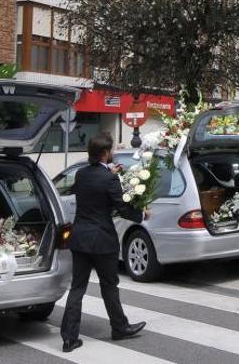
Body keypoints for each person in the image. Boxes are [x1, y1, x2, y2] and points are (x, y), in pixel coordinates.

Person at [60, 133, 148, 352]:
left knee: (77, 287)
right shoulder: (109, 179)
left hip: (80, 238)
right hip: (102, 241)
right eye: (111, 151)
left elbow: (93, 182)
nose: (113, 154)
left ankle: (69, 338)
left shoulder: (80, 174)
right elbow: (122, 207)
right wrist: (142, 215)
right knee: (109, 286)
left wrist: (109, 172)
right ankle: (119, 328)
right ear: (106, 153)